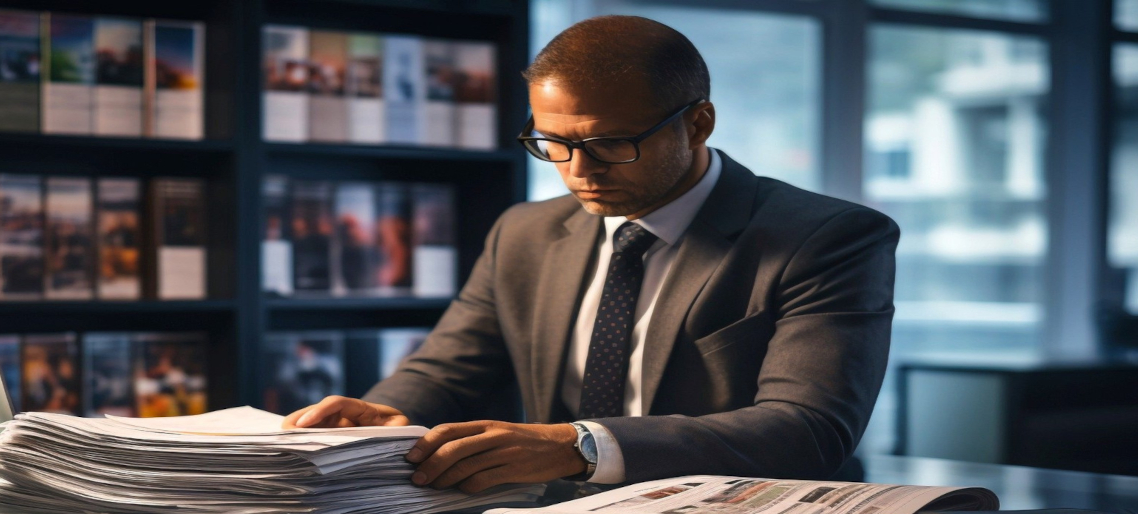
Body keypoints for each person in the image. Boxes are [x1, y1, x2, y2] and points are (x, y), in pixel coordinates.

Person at [283, 15, 898, 494]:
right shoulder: (522, 232)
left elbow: (808, 429)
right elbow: (447, 368)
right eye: (552, 143)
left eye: (610, 143)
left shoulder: (829, 237)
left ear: (698, 124)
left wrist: (581, 446)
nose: (578, 172)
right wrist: (388, 413)